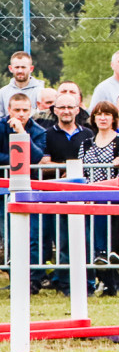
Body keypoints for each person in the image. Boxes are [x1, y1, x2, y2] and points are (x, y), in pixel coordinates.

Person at [41, 93, 95, 295]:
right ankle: (65, 285)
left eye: (70, 107)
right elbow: (42, 164)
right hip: (57, 194)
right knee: (63, 242)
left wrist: (75, 172)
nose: (66, 111)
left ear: (77, 109)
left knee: (85, 241)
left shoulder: (88, 134)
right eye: (61, 107)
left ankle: (88, 284)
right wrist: (66, 169)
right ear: (54, 110)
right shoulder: (47, 134)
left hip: (84, 194)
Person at [0, 93, 47, 292]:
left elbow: (35, 158)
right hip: (3, 191)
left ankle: (34, 279)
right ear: (9, 110)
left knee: (32, 234)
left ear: (31, 110)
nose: (21, 114)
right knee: (8, 234)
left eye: (25, 110)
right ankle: (16, 277)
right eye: (17, 110)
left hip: (29, 190)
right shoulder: (0, 127)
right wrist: (18, 157)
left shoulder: (38, 131)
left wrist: (21, 134)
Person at [78, 101, 119, 296]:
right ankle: (104, 280)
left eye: (107, 114)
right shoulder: (86, 143)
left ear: (113, 118)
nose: (103, 118)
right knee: (94, 240)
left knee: (109, 242)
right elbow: (81, 170)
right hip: (91, 196)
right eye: (99, 114)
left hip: (114, 196)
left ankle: (110, 279)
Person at [0, 51, 45, 116]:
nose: (20, 71)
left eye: (23, 67)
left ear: (31, 68)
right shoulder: (2, 93)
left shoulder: (40, 92)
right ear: (10, 68)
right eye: (17, 67)